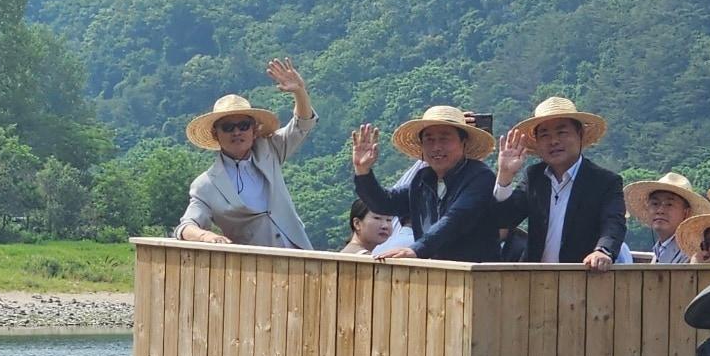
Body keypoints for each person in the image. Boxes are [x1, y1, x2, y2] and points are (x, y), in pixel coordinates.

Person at [175, 58, 317, 248]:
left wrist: (300, 91)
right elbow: (186, 226)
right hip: (256, 268)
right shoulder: (206, 185)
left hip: (300, 253)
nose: (237, 132)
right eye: (228, 127)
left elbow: (302, 125)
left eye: (243, 125)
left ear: (254, 130)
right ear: (215, 133)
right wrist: (206, 237)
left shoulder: (270, 150)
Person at [350, 105, 501, 262]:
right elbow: (384, 204)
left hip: (476, 277)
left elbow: (456, 219)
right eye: (429, 140)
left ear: (463, 142)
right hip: (433, 276)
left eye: (444, 138)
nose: (436, 147)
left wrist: (416, 250)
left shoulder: (479, 177)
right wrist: (363, 171)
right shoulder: (422, 180)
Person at [493, 96, 625, 270]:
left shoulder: (604, 182)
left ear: (580, 135)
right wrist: (505, 175)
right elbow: (504, 219)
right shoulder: (534, 177)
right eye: (545, 135)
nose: (553, 141)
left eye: (562, 132)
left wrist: (603, 251)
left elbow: (613, 224)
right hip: (534, 282)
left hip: (582, 282)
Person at [623, 172, 710, 265]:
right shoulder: (659, 249)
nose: (660, 210)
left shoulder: (693, 253)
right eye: (655, 204)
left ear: (685, 213)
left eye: (669, 204)